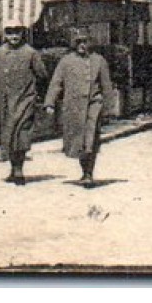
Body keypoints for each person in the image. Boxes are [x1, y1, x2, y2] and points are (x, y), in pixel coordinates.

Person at [45, 28, 115, 187]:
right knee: (78, 141)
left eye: (85, 41)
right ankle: (84, 172)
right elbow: (56, 83)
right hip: (73, 107)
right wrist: (49, 102)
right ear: (73, 44)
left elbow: (107, 86)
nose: (82, 45)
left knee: (90, 139)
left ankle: (89, 173)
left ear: (91, 42)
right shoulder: (66, 61)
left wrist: (109, 109)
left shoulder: (99, 61)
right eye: (79, 42)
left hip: (93, 105)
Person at [0, 22, 48, 185]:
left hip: (24, 100)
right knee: (8, 135)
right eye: (10, 33)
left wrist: (36, 95)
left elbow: (42, 75)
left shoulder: (30, 53)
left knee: (22, 133)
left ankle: (19, 169)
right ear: (4, 34)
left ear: (22, 34)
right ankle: (13, 168)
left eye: (17, 32)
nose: (14, 37)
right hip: (4, 103)